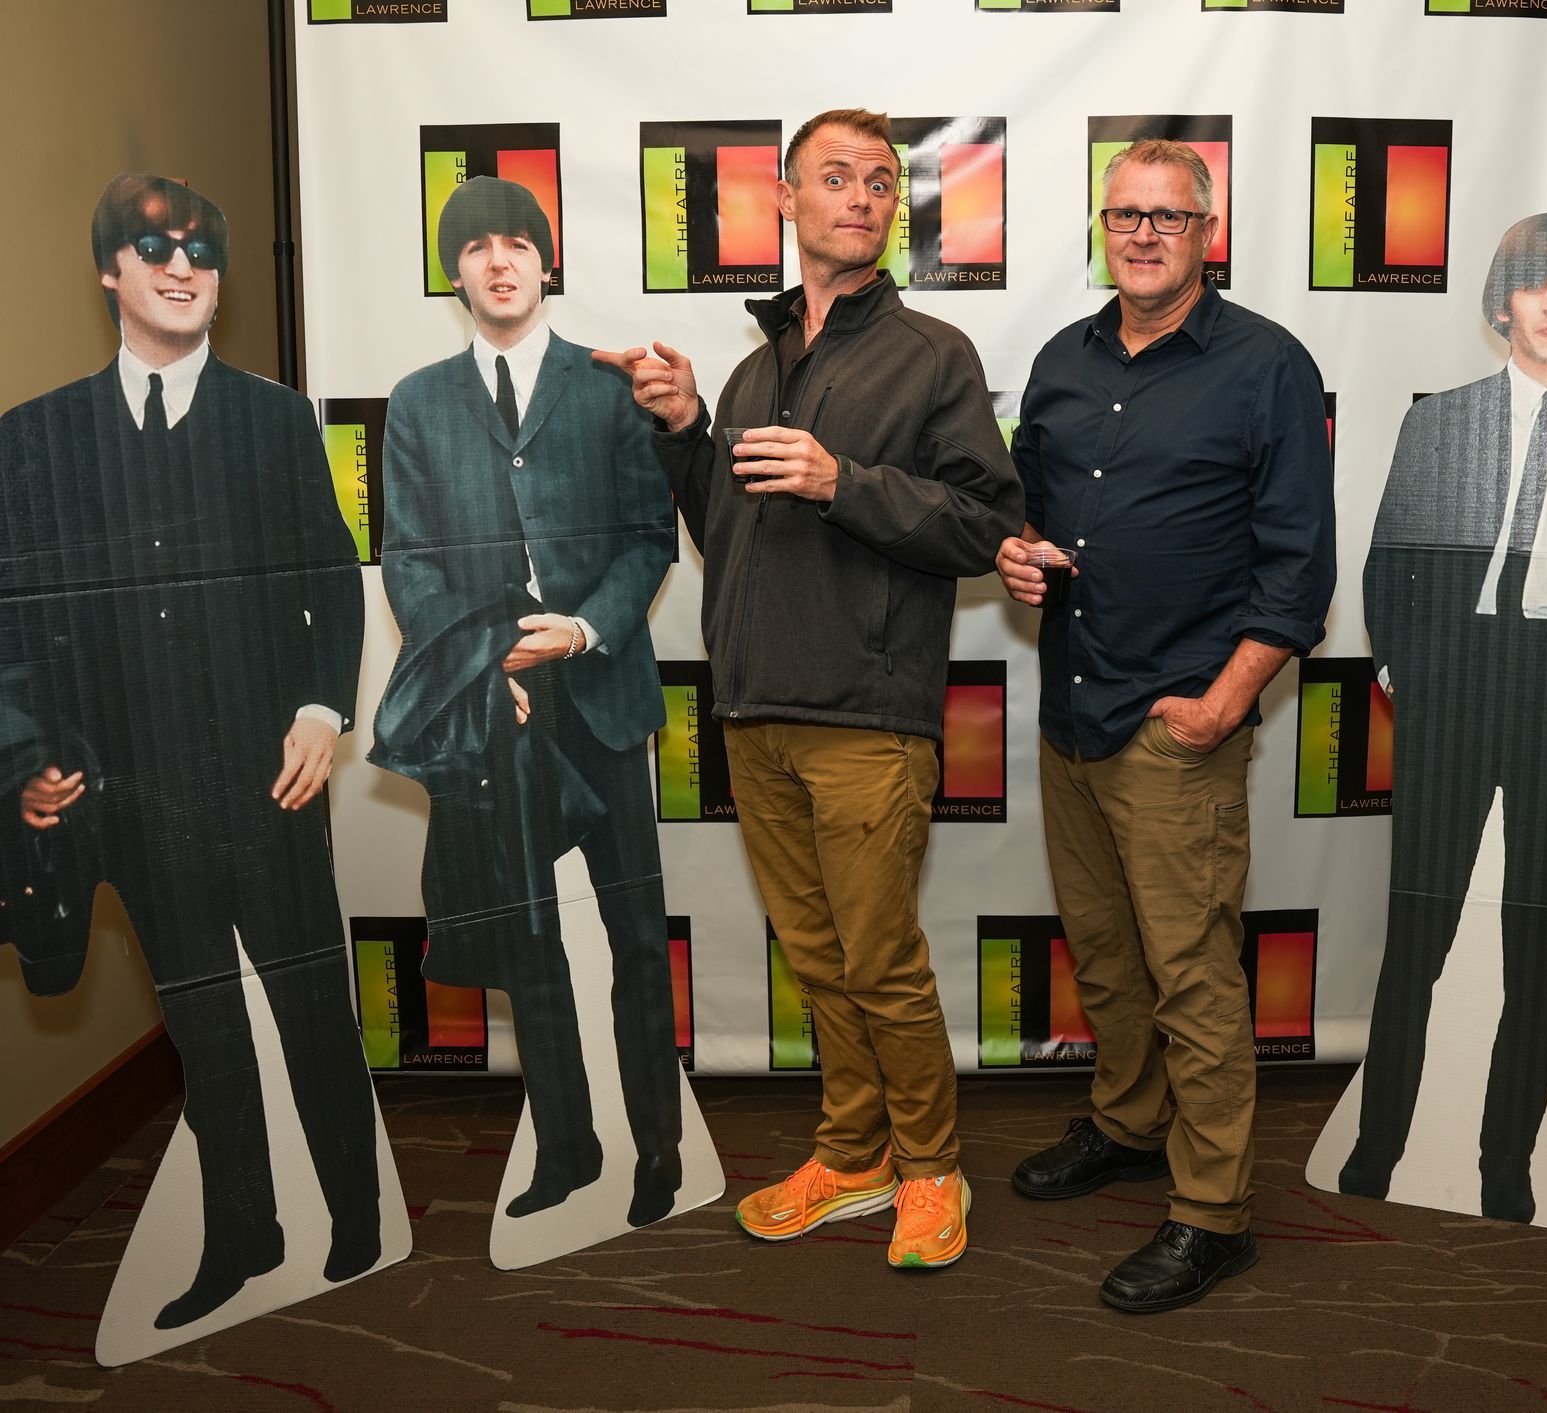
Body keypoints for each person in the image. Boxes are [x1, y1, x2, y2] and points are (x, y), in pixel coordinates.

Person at [601, 108, 1022, 1270]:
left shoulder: (934, 355)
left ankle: (931, 1167)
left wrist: (845, 482)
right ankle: (852, 1153)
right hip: (755, 714)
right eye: (835, 178)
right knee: (821, 961)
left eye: (880, 181)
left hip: (866, 717)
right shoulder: (754, 369)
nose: (862, 197)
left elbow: (987, 526)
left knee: (880, 962)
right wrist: (687, 430)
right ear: (786, 201)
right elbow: (727, 535)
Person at [0, 174, 381, 1328]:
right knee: (206, 1030)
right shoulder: (35, 438)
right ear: (109, 270)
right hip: (133, 798)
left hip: (270, 783)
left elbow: (330, 578)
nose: (182, 267)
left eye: (201, 251)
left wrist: (321, 709)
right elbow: (12, 628)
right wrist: (30, 758)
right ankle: (245, 1235)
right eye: (155, 247)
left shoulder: (275, 419)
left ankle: (358, 1221)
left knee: (311, 1008)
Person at [995, 139, 1336, 1312]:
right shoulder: (1062, 359)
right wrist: (1020, 556)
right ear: (1105, 228)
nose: (1143, 235)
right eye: (1125, 216)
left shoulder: (1267, 365)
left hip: (1177, 720)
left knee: (1192, 976)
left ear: (1207, 232)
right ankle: (1131, 1124)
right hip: (1073, 709)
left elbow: (1299, 565)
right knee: (1106, 954)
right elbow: (1031, 514)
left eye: (1168, 217)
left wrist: (1225, 703)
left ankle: (1214, 1213)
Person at [1338, 213, 1547, 1224]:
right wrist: (1406, 671)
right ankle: (1380, 1142)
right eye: (1533, 284)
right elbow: (1389, 561)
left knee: (1535, 934)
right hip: (1450, 686)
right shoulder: (1440, 424)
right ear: (1502, 304)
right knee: (1421, 926)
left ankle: (1509, 1159)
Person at [370, 176, 682, 1231]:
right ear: (454, 274)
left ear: (546, 263)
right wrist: (481, 661)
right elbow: (409, 560)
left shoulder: (609, 386)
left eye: (517, 243)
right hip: (495, 707)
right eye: (475, 248)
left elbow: (649, 537)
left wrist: (585, 629)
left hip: (600, 695)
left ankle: (659, 1149)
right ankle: (568, 1149)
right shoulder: (418, 401)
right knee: (532, 942)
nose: (498, 261)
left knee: (637, 937)